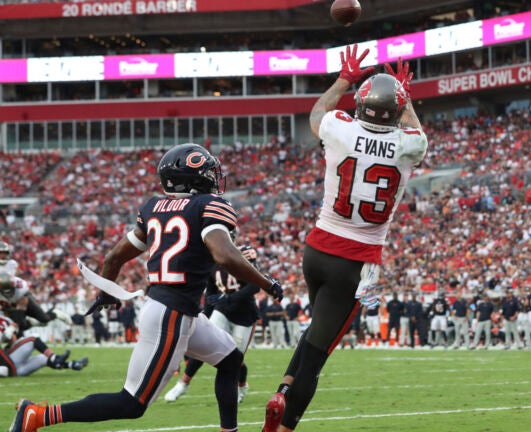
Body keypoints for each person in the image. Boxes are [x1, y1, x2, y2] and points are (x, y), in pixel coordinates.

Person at [10, 143, 283, 432]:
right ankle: (38, 415)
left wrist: (106, 293)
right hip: (172, 314)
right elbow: (225, 255)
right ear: (194, 178)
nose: (213, 178)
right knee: (132, 403)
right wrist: (267, 282)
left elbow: (114, 257)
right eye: (207, 172)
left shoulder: (154, 208)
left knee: (231, 360)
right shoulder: (209, 206)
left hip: (175, 310)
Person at [261, 45, 427, 432]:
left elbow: (317, 113)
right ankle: (284, 423)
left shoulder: (340, 127)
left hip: (316, 249)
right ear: (396, 111)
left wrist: (344, 80)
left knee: (315, 329)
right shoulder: (408, 145)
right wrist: (404, 97)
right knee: (319, 353)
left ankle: (282, 389)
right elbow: (414, 128)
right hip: (355, 261)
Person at [164, 244, 263, 404]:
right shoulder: (210, 261)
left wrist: (228, 298)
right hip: (222, 310)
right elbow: (211, 293)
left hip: (245, 315)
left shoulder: (243, 254)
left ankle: (241, 386)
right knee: (203, 345)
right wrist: (203, 315)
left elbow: (255, 286)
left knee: (235, 358)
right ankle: (183, 384)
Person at [0, 313, 87, 377]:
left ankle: (72, 364)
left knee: (43, 358)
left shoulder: (5, 319)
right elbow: (13, 339)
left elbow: (13, 339)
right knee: (33, 338)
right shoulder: (5, 319)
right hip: (10, 365)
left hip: (13, 369)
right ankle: (55, 358)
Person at [0, 272, 71, 336]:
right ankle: (31, 323)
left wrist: (13, 326)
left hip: (23, 302)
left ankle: (55, 313)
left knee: (44, 319)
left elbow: (21, 308)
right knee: (21, 326)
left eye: (10, 289)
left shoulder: (20, 287)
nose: (8, 294)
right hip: (9, 306)